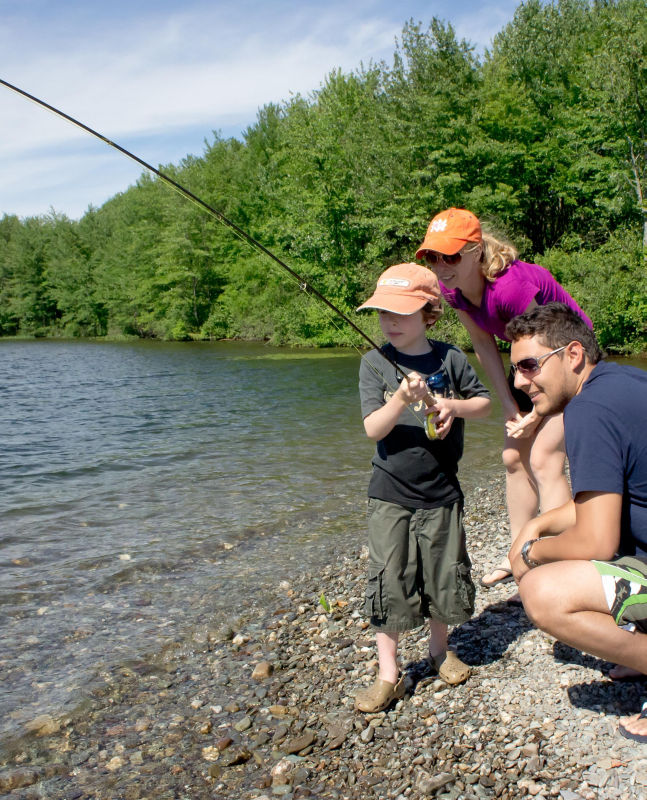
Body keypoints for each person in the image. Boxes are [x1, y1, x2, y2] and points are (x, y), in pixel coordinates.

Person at [416, 208, 592, 593]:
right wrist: (511, 407)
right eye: (432, 256)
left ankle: (566, 561)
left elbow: (548, 354)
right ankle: (520, 553)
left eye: (450, 256)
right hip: (530, 367)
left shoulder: (510, 288)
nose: (440, 266)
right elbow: (482, 342)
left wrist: (539, 412)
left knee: (545, 456)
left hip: (571, 365)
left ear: (476, 251)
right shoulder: (452, 288)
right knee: (513, 457)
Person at [505, 303, 647, 742]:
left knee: (543, 592)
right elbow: (612, 497)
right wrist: (537, 525)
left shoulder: (588, 410)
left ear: (572, 355)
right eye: (514, 369)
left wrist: (531, 554)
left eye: (529, 366)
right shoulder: (625, 381)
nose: (518, 382)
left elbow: (596, 540)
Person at [354, 262, 491, 712]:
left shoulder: (450, 358)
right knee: (389, 578)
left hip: (442, 489)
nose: (389, 322)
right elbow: (374, 428)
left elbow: (484, 404)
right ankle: (389, 674)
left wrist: (448, 403)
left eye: (401, 313)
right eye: (383, 314)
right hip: (390, 492)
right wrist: (399, 399)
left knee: (442, 576)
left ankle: (438, 652)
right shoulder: (374, 364)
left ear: (429, 313)